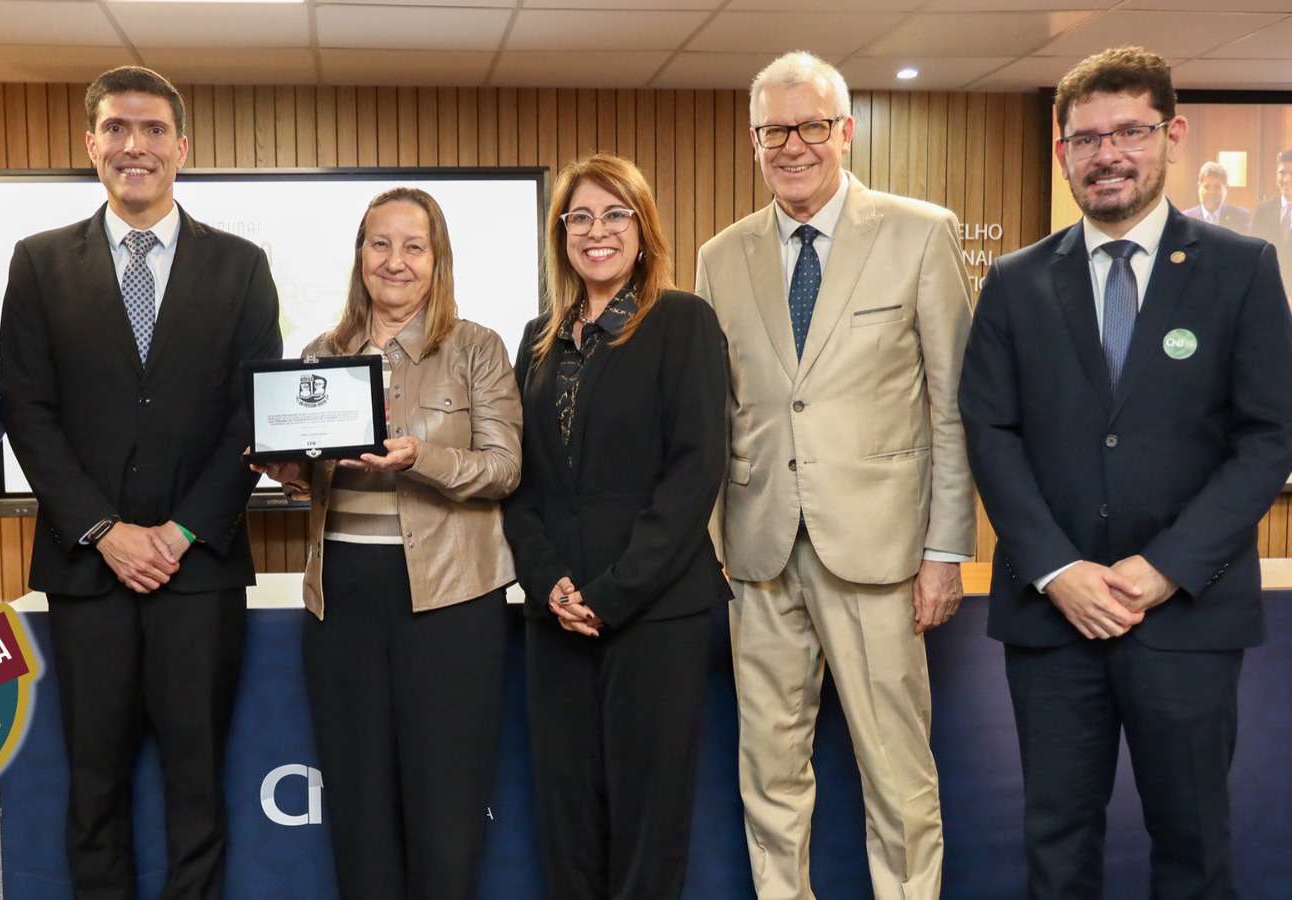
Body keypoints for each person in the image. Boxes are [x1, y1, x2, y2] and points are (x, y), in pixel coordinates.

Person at [960, 46, 1292, 899]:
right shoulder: (1013, 282)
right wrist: (1059, 569)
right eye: (1085, 138)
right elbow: (989, 432)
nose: (1107, 154)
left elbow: (1268, 437)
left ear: (1172, 135)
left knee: (1193, 843)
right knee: (1057, 846)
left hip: (1187, 618)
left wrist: (1167, 569)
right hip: (1052, 620)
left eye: (1129, 132)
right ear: (1062, 150)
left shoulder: (1240, 269)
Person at [694, 51, 975, 900]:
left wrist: (945, 550)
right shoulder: (721, 255)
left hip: (882, 554)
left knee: (897, 776)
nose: (793, 145)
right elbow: (726, 407)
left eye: (811, 125)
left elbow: (951, 407)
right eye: (774, 129)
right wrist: (717, 543)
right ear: (754, 141)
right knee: (770, 775)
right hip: (761, 550)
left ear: (845, 132)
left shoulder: (920, 232)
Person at [0, 66, 281, 899]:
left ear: (181, 148)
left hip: (201, 571)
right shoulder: (41, 262)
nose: (136, 145)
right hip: (88, 572)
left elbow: (251, 414)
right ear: (91, 146)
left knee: (198, 783)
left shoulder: (241, 266)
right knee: (94, 783)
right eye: (117, 128)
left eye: (154, 130)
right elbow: (27, 407)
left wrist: (183, 530)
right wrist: (104, 530)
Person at [254, 186, 520, 900]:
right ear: (359, 256)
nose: (395, 261)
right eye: (380, 244)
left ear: (438, 261)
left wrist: (419, 458)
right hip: (341, 597)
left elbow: (504, 469)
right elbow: (316, 482)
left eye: (413, 246)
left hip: (452, 603)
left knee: (447, 813)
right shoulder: (320, 352)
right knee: (358, 808)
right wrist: (287, 471)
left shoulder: (477, 349)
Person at [501, 153, 729, 898]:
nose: (596, 231)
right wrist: (549, 586)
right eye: (580, 217)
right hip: (556, 610)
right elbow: (521, 482)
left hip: (654, 609)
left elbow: (695, 472)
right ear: (560, 232)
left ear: (642, 227)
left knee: (647, 817)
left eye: (614, 214)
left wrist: (612, 593)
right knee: (566, 815)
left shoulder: (683, 321)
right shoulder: (540, 337)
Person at [1248, 149, 1292, 291]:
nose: (1286, 179)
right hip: (1271, 288)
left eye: (1291, 173)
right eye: (1282, 173)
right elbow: (1255, 252)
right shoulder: (1263, 210)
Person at [1181, 161, 1250, 232]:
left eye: (1217, 187)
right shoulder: (1186, 219)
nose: (1211, 192)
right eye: (1207, 187)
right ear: (1199, 187)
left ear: (1226, 188)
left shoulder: (1240, 218)